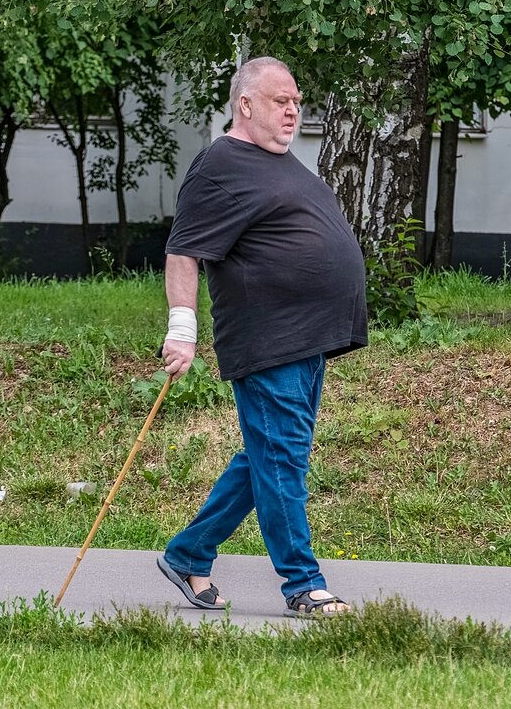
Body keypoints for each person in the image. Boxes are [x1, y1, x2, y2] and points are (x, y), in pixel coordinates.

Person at [156, 57, 367, 617]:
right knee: (282, 461)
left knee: (267, 457)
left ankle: (188, 553)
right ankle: (303, 584)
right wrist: (183, 329)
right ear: (245, 105)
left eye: (297, 100)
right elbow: (184, 251)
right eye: (281, 100)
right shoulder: (219, 165)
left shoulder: (274, 160)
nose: (294, 109)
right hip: (268, 339)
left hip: (306, 339)